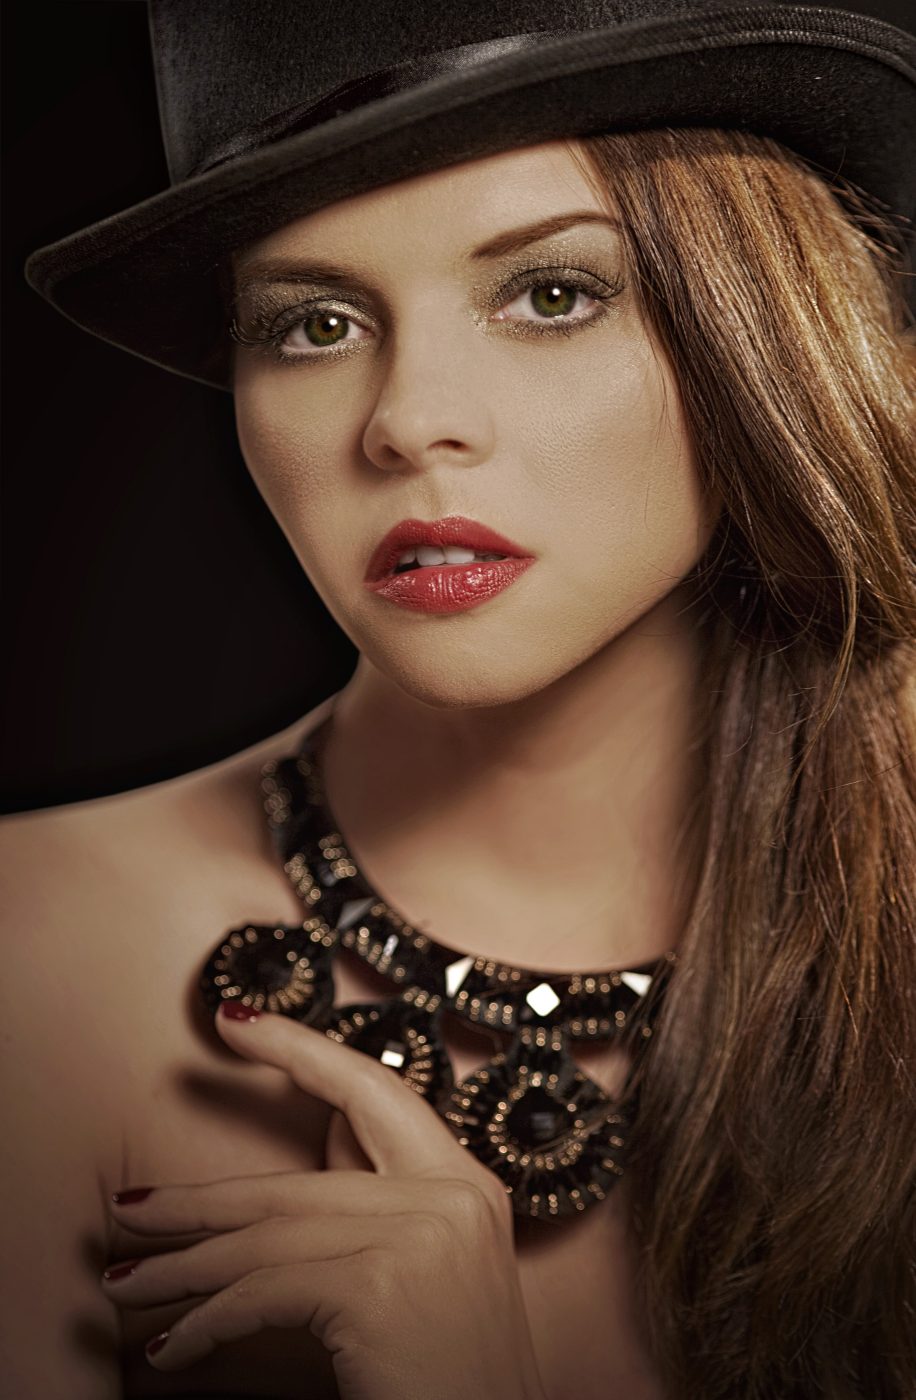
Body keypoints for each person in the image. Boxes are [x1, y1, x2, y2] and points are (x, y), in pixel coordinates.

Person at [2, 2, 915, 1398]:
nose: (406, 418)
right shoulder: (40, 965)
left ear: (757, 326)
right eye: (313, 324)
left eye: (551, 295)